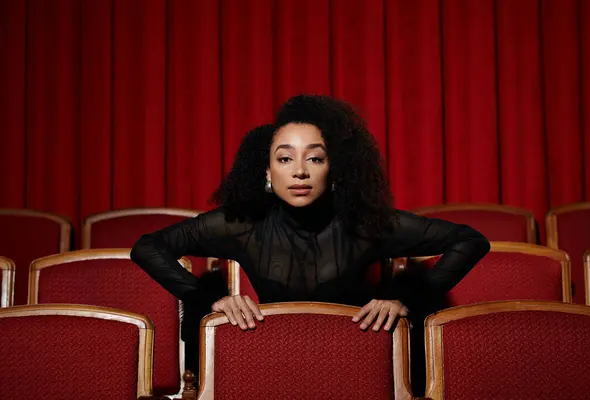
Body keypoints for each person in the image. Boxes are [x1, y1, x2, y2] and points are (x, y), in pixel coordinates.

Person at [131, 94, 490, 383]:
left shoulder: (366, 225)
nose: (300, 171)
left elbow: (471, 241)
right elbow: (148, 247)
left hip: (356, 371)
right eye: (285, 158)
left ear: (334, 169)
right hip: (267, 368)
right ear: (267, 172)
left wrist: (405, 299)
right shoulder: (241, 224)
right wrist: (209, 298)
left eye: (315, 159)